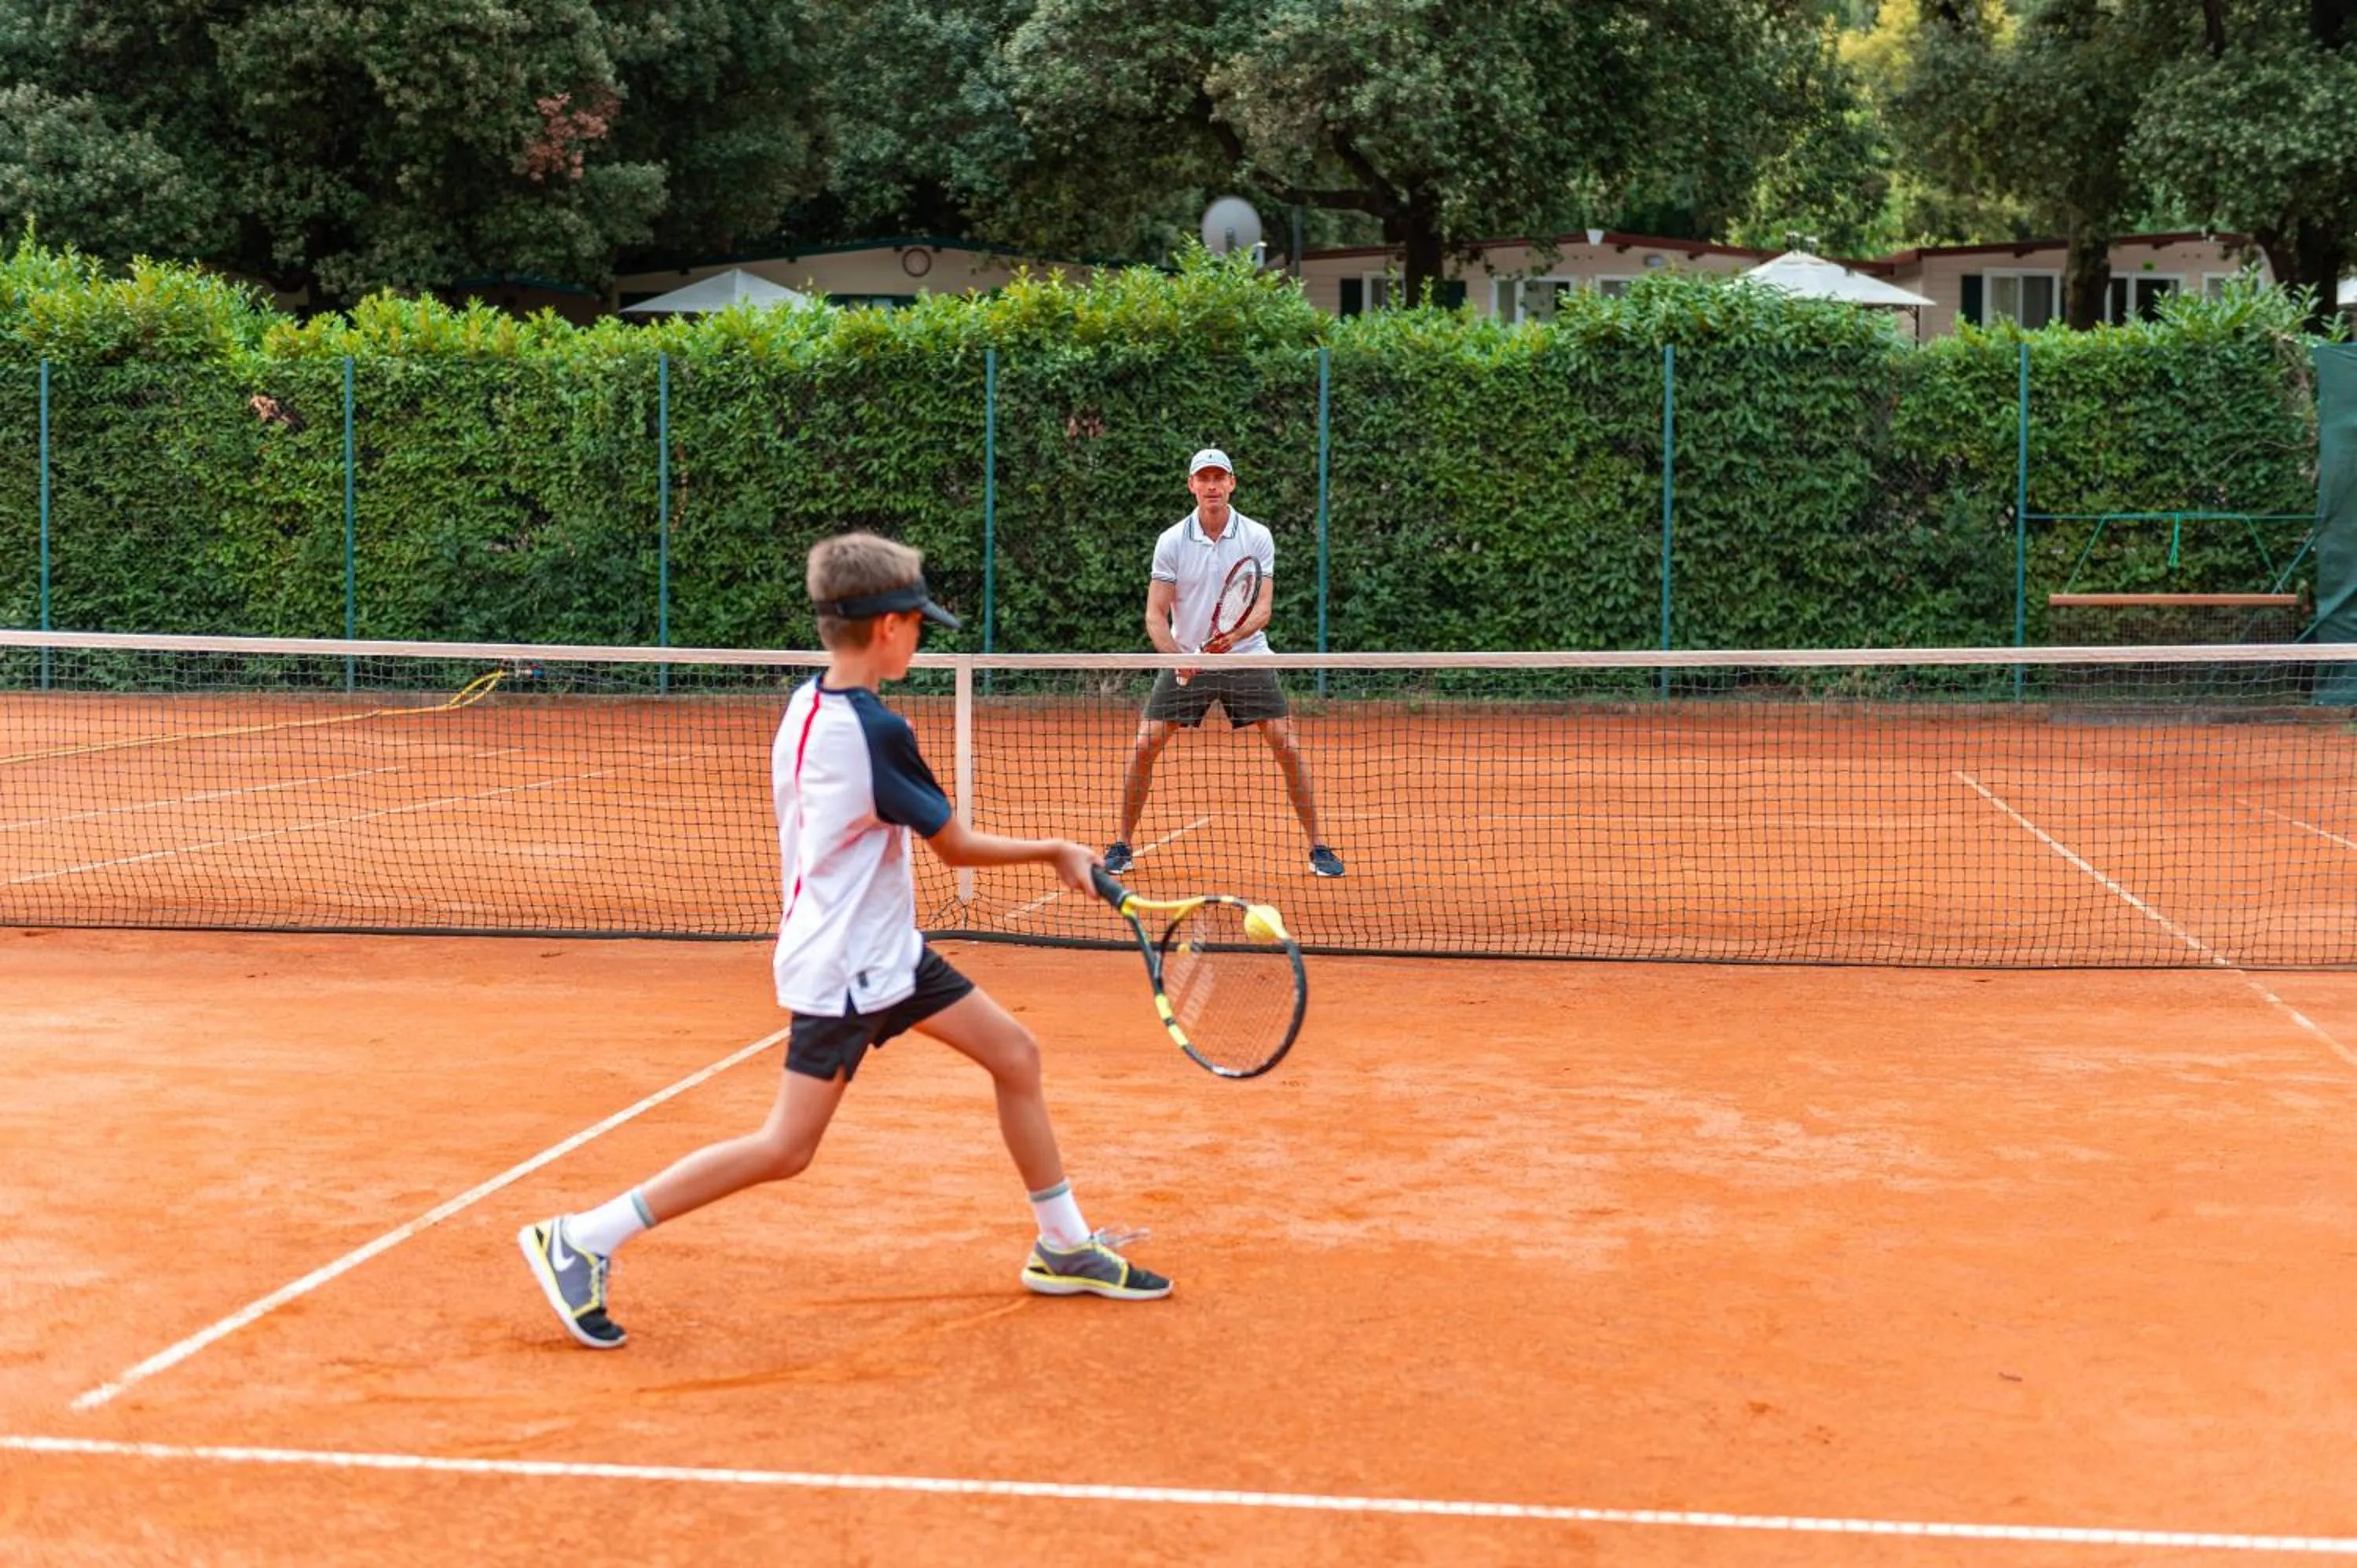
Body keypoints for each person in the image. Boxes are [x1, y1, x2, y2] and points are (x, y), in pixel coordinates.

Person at [519, 531, 1169, 1350]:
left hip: (884, 949)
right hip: (848, 968)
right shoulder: (873, 731)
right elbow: (955, 846)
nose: (923, 635)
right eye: (919, 622)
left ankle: (1064, 1244)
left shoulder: (807, 702)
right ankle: (583, 1236)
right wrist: (1055, 851)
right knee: (787, 1147)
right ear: (890, 626)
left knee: (1015, 1054)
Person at [1104, 447, 1345, 880]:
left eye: (1220, 477)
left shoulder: (1256, 536)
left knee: (1287, 747)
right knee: (1144, 746)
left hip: (1247, 656)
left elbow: (1262, 608)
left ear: (1232, 483)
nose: (1212, 485)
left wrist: (1230, 640)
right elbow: (1155, 615)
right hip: (1188, 659)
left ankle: (1319, 847)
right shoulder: (1172, 541)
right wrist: (1180, 659)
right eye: (1204, 478)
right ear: (1192, 485)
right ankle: (1121, 845)